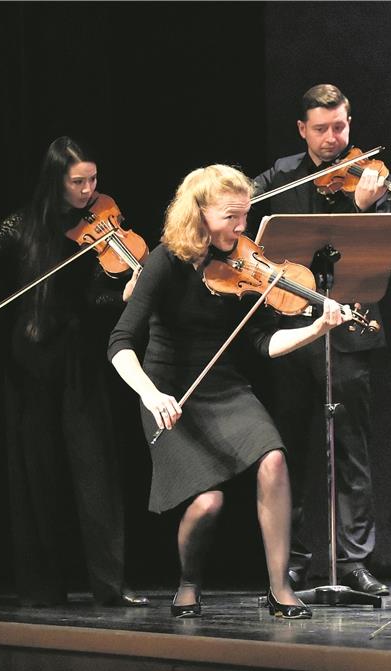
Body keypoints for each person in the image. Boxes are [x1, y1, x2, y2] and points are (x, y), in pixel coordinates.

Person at [109, 164, 345, 619]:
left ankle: (280, 588)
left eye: (246, 216)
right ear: (198, 214)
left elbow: (265, 343)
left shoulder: (246, 263)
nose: (242, 228)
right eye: (231, 217)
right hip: (169, 393)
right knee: (208, 501)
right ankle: (189, 581)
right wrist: (150, 395)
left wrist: (316, 327)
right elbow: (120, 343)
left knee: (273, 458)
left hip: (226, 389)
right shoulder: (164, 262)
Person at [0, 136, 147, 608]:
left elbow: (94, 300)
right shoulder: (20, 226)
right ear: (56, 180)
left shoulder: (99, 227)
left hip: (77, 359)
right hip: (28, 361)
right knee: (36, 474)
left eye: (94, 180)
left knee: (96, 471)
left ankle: (110, 584)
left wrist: (123, 295)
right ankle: (40, 586)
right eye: (79, 182)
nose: (90, 191)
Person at [250, 84, 391, 596]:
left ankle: (353, 560)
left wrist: (363, 207)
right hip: (291, 327)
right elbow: (243, 208)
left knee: (351, 449)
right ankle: (290, 559)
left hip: (349, 326)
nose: (333, 139)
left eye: (340, 127)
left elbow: (377, 251)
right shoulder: (280, 175)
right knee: (290, 449)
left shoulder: (369, 179)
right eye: (321, 129)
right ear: (301, 130)